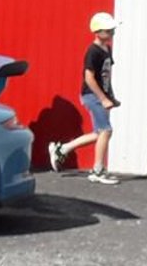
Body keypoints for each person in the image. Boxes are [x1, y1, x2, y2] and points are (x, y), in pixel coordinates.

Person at [50, 12, 121, 184]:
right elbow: (89, 78)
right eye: (108, 30)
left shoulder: (107, 49)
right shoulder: (93, 51)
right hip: (92, 95)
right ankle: (98, 170)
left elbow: (106, 76)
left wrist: (110, 97)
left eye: (113, 30)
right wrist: (102, 98)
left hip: (101, 95)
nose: (112, 33)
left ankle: (62, 149)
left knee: (99, 133)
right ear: (97, 32)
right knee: (106, 131)